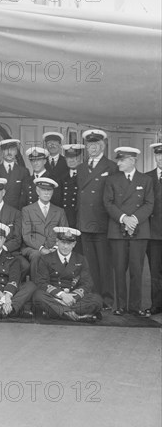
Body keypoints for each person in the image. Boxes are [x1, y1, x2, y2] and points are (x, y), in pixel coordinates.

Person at [103, 147, 154, 316]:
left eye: (121, 160)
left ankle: (135, 306)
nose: (118, 163)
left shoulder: (145, 180)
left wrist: (134, 220)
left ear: (132, 160)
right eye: (118, 160)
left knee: (136, 270)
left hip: (139, 230)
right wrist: (124, 218)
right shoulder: (112, 180)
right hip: (118, 230)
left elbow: (149, 203)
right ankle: (120, 305)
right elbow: (108, 203)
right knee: (118, 269)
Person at [76, 129, 117, 309]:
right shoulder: (81, 167)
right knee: (90, 265)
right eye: (89, 145)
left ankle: (107, 299)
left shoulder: (111, 167)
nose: (92, 148)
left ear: (102, 146)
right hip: (85, 221)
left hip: (102, 222)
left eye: (95, 145)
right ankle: (94, 297)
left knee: (104, 264)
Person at [33, 227, 103, 323]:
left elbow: (87, 283)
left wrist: (72, 297)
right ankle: (77, 316)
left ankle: (60, 312)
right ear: (57, 242)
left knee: (97, 300)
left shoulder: (81, 259)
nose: (65, 246)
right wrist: (62, 295)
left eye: (69, 243)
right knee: (38, 296)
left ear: (74, 244)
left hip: (73, 299)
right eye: (63, 242)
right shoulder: (46, 259)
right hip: (55, 297)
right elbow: (41, 282)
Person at [21, 178, 68, 279]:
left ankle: (57, 287)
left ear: (52, 192)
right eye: (43, 190)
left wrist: (55, 248)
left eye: (49, 190)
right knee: (37, 255)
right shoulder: (27, 210)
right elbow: (26, 235)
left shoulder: (59, 211)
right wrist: (42, 248)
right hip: (33, 248)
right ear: (37, 191)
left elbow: (64, 234)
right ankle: (36, 285)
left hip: (54, 247)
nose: (46, 193)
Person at [146, 142, 162, 315]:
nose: (161, 158)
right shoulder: (147, 178)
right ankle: (157, 304)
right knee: (155, 272)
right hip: (153, 234)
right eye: (158, 155)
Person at [0, 139, 30, 211]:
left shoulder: (23, 171)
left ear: (16, 152)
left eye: (12, 150)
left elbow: (26, 195)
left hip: (17, 211)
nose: (9, 153)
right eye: (6, 150)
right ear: (2, 152)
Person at [60, 144, 84, 232]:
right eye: (69, 157)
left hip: (81, 218)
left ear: (81, 158)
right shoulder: (62, 177)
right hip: (66, 218)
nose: (72, 160)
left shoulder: (86, 176)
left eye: (75, 157)